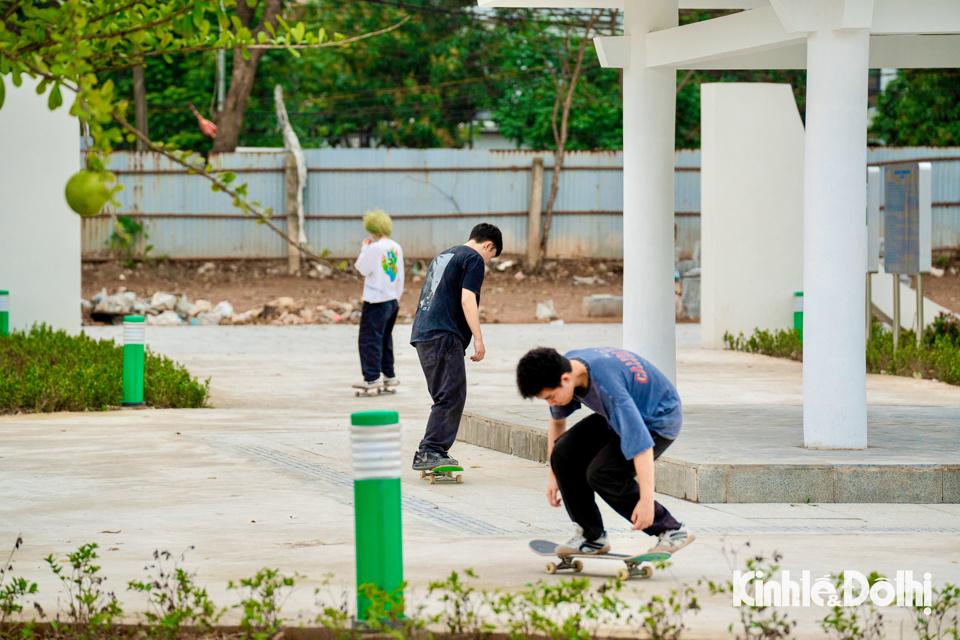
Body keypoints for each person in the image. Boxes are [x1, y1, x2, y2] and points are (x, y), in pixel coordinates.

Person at [515, 346, 695, 556]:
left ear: (565, 379)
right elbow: (557, 423)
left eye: (551, 397)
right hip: (619, 416)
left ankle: (672, 530)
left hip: (657, 419)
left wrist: (646, 502)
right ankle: (592, 538)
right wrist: (554, 475)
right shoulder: (567, 369)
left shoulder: (609, 389)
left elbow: (641, 446)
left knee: (603, 473)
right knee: (562, 453)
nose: (551, 402)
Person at [409, 222, 503, 471]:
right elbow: (467, 299)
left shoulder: (445, 255)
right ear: (488, 245)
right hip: (443, 335)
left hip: (423, 333)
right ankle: (431, 451)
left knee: (445, 395)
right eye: (490, 256)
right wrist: (479, 338)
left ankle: (431, 450)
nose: (487, 261)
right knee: (451, 395)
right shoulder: (473, 259)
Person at [354, 209, 404, 392]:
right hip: (392, 299)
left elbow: (362, 268)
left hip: (375, 301)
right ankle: (389, 375)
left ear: (372, 230)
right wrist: (396, 298)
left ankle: (372, 377)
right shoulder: (396, 247)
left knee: (369, 340)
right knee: (385, 339)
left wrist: (364, 249)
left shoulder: (375, 248)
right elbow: (400, 275)